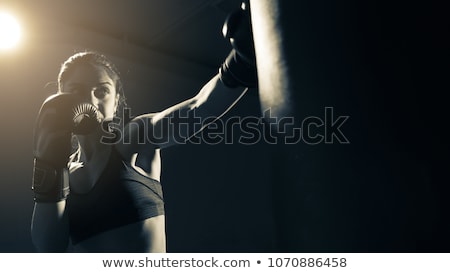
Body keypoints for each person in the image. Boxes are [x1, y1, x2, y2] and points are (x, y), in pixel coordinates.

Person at [30, 3, 256, 252]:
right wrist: (49, 163)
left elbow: (197, 109)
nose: (91, 100)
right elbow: (49, 247)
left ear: (115, 102)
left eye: (102, 91)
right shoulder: (62, 173)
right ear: (61, 97)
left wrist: (240, 61)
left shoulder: (135, 137)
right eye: (77, 91)